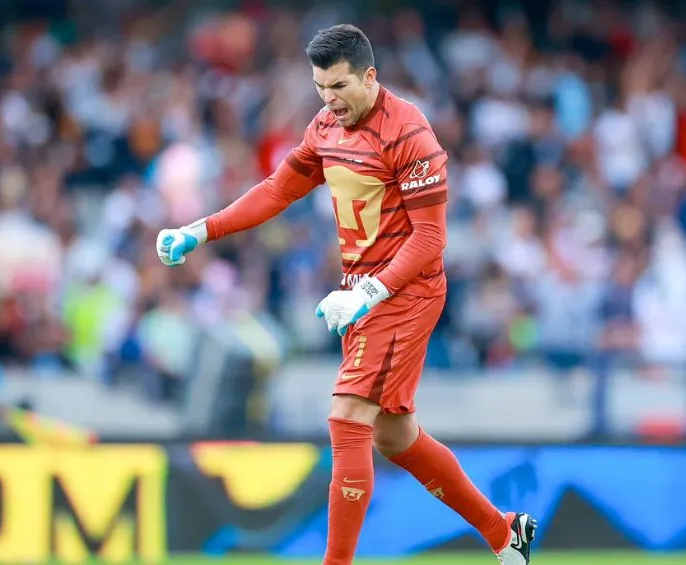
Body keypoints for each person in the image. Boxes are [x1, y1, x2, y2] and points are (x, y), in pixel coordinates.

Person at [156, 24, 536, 565]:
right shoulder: (325, 126)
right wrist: (200, 230)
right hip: (360, 293)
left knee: (346, 417)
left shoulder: (410, 134)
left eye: (338, 86)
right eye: (320, 88)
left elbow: (431, 239)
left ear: (370, 77)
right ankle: (505, 532)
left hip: (404, 292)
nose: (329, 100)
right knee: (395, 437)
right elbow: (277, 190)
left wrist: (370, 292)